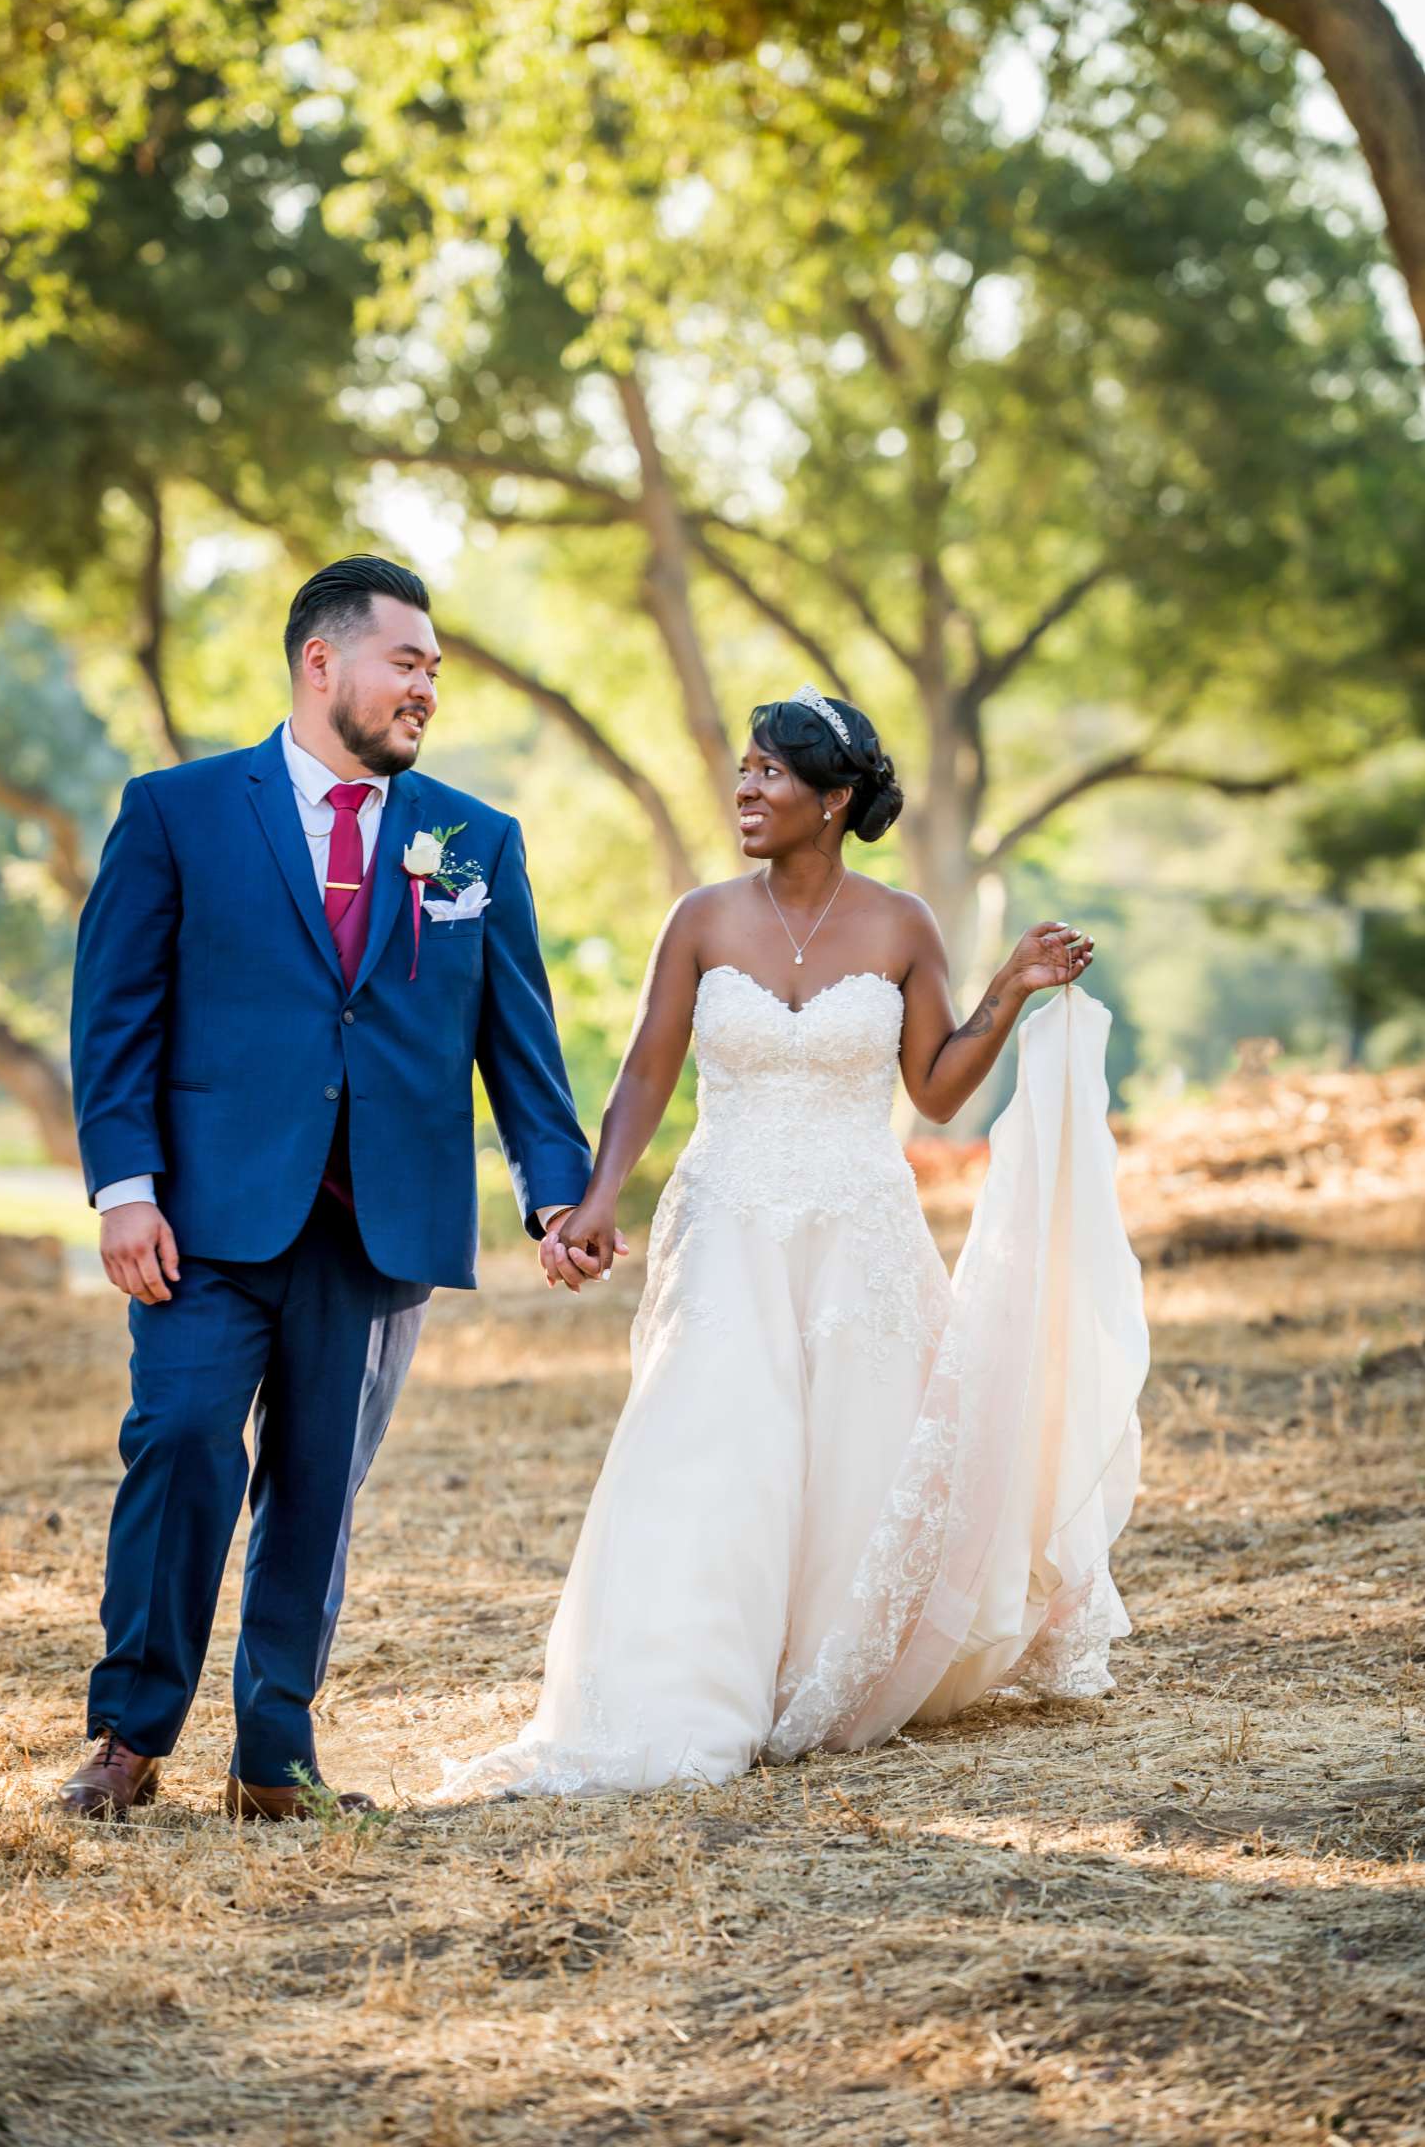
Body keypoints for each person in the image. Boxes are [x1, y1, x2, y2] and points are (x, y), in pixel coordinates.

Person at [438, 684, 1149, 1799]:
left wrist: (1008, 992)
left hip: (860, 1230)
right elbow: (646, 1073)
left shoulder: (903, 924)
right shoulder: (703, 918)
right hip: (726, 1222)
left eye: (771, 771)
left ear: (836, 799)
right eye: (745, 769)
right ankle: (686, 1682)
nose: (746, 789)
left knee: (859, 1452)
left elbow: (938, 1089)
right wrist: (595, 1195)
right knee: (712, 1442)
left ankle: (830, 1669)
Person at [58, 555, 612, 1820]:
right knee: (180, 1447)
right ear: (324, 662)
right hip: (204, 1219)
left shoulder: (474, 841)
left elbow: (517, 1045)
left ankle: (276, 1759)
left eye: (435, 670)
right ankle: (128, 1738)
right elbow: (116, 1015)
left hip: (380, 1226)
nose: (426, 689)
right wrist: (124, 1188)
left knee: (318, 1487)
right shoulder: (177, 811)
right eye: (405, 662)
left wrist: (554, 1193)